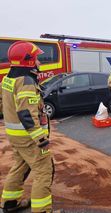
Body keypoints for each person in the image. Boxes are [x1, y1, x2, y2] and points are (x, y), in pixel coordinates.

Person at [0, 41, 63, 213]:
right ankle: (42, 210)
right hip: (29, 138)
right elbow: (26, 114)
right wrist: (41, 139)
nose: (39, 63)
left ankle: (10, 203)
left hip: (15, 136)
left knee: (20, 166)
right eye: (37, 59)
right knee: (44, 170)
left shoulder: (8, 78)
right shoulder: (25, 81)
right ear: (28, 61)